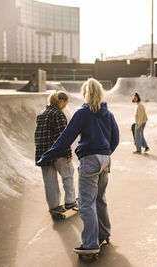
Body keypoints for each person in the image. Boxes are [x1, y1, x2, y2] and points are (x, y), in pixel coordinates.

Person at [37, 78, 119, 254]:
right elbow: (116, 138)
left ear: (85, 94)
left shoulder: (83, 113)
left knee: (86, 203)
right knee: (100, 199)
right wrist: (105, 153)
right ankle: (104, 234)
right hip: (105, 159)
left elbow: (66, 138)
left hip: (90, 160)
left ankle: (90, 245)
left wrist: (46, 156)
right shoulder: (108, 113)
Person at [34, 91, 77, 213]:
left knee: (49, 181)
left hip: (43, 153)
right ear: (61, 101)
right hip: (58, 153)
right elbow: (63, 136)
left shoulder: (41, 113)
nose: (65, 106)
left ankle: (53, 206)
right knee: (68, 175)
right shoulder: (58, 114)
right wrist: (68, 153)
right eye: (65, 103)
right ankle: (70, 201)